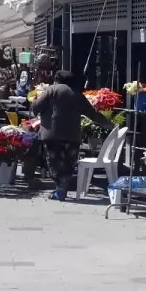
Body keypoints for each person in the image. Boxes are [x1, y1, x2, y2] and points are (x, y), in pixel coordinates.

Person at [31, 70, 116, 201]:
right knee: (68, 163)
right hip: (72, 135)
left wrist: (35, 102)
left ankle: (60, 189)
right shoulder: (77, 95)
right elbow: (92, 114)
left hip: (52, 135)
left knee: (54, 161)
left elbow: (36, 107)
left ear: (57, 79)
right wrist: (110, 125)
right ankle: (62, 187)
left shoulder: (51, 90)